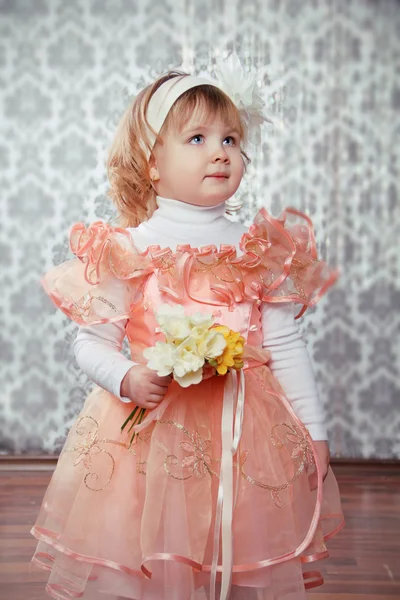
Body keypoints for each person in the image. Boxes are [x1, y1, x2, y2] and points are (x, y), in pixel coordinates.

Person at [31, 56, 345, 600]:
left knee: (237, 545)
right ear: (151, 162)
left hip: (244, 431)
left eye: (230, 140)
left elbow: (287, 343)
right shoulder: (128, 249)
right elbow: (91, 342)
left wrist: (314, 431)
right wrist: (125, 377)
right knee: (156, 549)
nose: (220, 152)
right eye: (197, 138)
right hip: (154, 434)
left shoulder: (260, 248)